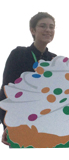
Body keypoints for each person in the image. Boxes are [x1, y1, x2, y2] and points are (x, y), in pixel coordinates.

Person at [0, 12, 56, 146]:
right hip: (20, 123)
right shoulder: (19, 54)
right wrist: (8, 124)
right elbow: (6, 89)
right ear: (32, 30)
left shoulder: (55, 59)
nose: (48, 30)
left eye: (51, 27)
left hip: (48, 125)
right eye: (43, 26)